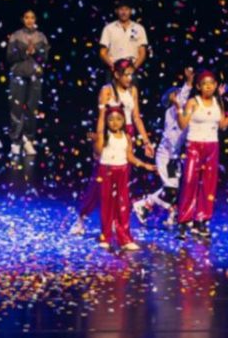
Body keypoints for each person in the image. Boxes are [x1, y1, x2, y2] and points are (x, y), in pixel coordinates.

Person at [74, 58, 156, 231]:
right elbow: (102, 118)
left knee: (122, 180)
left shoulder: (133, 90)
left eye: (131, 75)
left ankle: (115, 220)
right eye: (126, 75)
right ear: (117, 75)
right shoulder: (107, 90)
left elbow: (136, 117)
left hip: (127, 135)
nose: (129, 78)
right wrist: (99, 141)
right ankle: (82, 217)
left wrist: (146, 142)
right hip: (109, 135)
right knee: (99, 181)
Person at [175, 70, 228, 239]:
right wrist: (178, 107)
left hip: (212, 146)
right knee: (189, 182)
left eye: (211, 83)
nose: (208, 86)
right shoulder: (193, 102)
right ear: (199, 86)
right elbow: (182, 125)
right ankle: (184, 221)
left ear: (215, 85)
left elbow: (223, 125)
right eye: (204, 84)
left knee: (208, 184)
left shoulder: (218, 102)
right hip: (194, 145)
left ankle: (201, 220)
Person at [93, 98, 157, 251]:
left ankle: (125, 238)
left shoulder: (126, 137)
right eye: (111, 119)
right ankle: (106, 236)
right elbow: (98, 141)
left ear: (123, 121)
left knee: (123, 205)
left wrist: (144, 165)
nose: (115, 122)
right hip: (106, 171)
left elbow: (129, 157)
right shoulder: (103, 136)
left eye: (118, 119)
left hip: (122, 172)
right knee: (107, 205)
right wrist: (101, 115)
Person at [133, 68, 194, 227]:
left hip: (173, 158)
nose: (181, 97)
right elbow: (183, 95)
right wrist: (188, 82)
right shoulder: (172, 112)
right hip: (165, 156)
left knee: (173, 188)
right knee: (171, 188)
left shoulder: (185, 113)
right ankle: (145, 204)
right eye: (177, 95)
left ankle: (168, 212)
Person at [6, 10, 50, 156]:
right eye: (27, 17)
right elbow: (10, 56)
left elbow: (45, 58)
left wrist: (35, 52)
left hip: (35, 76)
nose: (30, 20)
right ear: (22, 19)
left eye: (32, 17)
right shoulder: (16, 35)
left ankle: (28, 140)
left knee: (32, 109)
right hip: (18, 76)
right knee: (16, 108)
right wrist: (25, 52)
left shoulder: (41, 37)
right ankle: (15, 141)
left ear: (35, 19)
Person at [99, 2, 148, 78]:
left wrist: (133, 68)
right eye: (121, 9)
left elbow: (142, 53)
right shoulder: (108, 28)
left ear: (131, 11)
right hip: (113, 69)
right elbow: (103, 52)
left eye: (126, 9)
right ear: (117, 11)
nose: (124, 12)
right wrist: (113, 66)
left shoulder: (139, 28)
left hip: (132, 68)